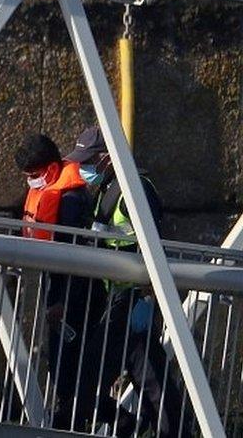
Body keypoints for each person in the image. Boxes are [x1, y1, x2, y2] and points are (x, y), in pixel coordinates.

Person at [64, 126, 187, 437]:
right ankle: (165, 432)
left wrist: (147, 299)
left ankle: (136, 427)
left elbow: (154, 245)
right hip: (119, 297)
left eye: (89, 161)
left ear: (106, 158)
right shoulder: (110, 189)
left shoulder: (133, 190)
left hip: (131, 298)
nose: (83, 168)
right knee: (151, 377)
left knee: (87, 375)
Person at [14, 133, 106, 430]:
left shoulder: (70, 199)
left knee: (69, 369)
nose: (31, 182)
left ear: (50, 169)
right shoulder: (52, 191)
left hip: (74, 295)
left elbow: (73, 255)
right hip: (59, 288)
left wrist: (63, 303)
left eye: (34, 175)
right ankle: (73, 421)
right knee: (63, 368)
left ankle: (78, 424)